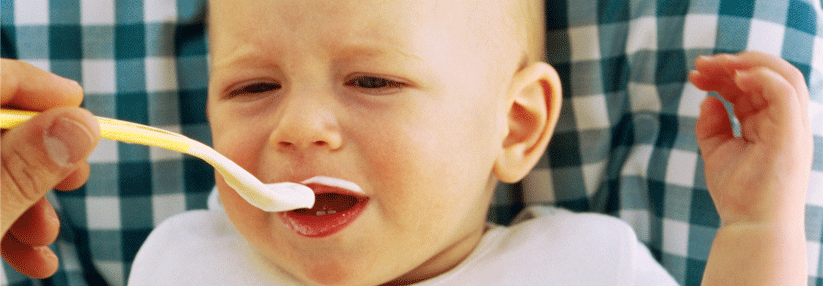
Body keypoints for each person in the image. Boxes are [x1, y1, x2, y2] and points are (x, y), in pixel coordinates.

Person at [126, 0, 811, 285]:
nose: (297, 126)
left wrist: (755, 228)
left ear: (514, 126)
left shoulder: (584, 269)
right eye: (251, 89)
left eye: (372, 80)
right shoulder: (181, 262)